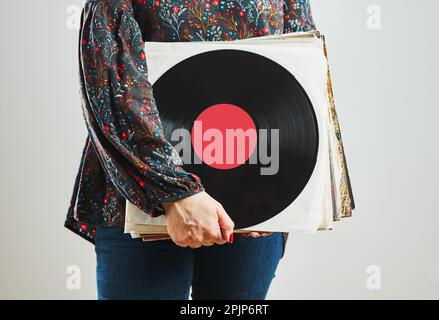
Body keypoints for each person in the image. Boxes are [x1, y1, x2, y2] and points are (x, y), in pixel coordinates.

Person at [66, 0, 316, 300]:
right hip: (141, 195)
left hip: (254, 195)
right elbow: (110, 81)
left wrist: (278, 191)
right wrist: (176, 193)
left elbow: (302, 64)